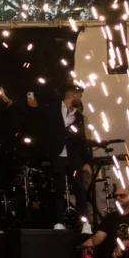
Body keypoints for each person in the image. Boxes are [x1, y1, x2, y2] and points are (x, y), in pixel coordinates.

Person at [29, 85, 89, 231]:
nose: (81, 98)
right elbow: (40, 124)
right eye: (79, 95)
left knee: (79, 188)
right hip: (58, 155)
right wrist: (34, 107)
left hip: (74, 156)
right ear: (72, 95)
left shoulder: (78, 116)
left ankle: (85, 222)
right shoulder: (53, 109)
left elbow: (82, 140)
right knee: (59, 188)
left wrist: (87, 161)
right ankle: (59, 221)